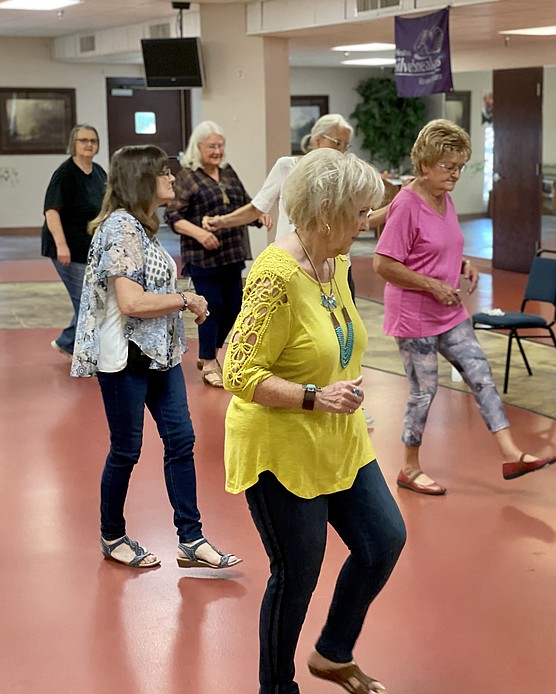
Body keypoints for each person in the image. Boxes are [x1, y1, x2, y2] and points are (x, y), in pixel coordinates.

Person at [223, 148, 405, 693]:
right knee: (297, 573)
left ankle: (331, 654)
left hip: (339, 436)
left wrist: (335, 393)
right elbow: (236, 369)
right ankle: (277, 688)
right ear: (327, 210)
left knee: (383, 540)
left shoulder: (337, 263)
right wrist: (312, 395)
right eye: (360, 213)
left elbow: (336, 341)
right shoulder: (274, 276)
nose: (366, 223)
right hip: (279, 441)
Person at [71, 144, 241, 571]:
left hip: (158, 356)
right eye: (165, 174)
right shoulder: (121, 228)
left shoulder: (142, 229)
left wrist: (183, 301)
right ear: (143, 179)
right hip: (127, 357)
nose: (172, 179)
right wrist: (183, 299)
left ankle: (191, 538)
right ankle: (112, 535)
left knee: (180, 442)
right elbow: (129, 302)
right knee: (126, 450)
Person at [372, 119, 556, 495]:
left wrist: (461, 264)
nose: (455, 174)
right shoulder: (407, 204)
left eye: (460, 166)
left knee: (481, 375)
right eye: (447, 166)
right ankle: (409, 467)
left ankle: (511, 454)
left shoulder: (446, 198)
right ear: (424, 164)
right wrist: (432, 285)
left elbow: (439, 246)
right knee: (424, 391)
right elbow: (383, 264)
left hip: (449, 311)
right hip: (414, 315)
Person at [164, 120, 259, 388]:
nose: (217, 151)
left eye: (220, 145)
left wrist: (258, 216)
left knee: (235, 306)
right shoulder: (187, 176)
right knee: (211, 306)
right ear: (199, 147)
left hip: (231, 252)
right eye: (211, 146)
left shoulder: (227, 171)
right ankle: (207, 362)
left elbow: (244, 203)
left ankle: (212, 353)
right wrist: (200, 233)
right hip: (202, 256)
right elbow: (173, 216)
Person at [203, 113, 353, 244]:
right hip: (292, 257)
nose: (341, 151)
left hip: (333, 260)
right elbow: (257, 208)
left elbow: (361, 215)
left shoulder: (346, 174)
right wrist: (220, 221)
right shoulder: (286, 166)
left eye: (345, 146)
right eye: (337, 143)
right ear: (318, 141)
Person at [42, 124, 107, 357]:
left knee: (91, 297)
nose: (89, 144)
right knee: (87, 301)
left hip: (90, 248)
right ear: (74, 144)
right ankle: (85, 352)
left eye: (93, 140)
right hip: (68, 248)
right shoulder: (65, 174)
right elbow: (51, 211)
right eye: (83, 140)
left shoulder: (99, 172)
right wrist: (61, 246)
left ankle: (68, 341)